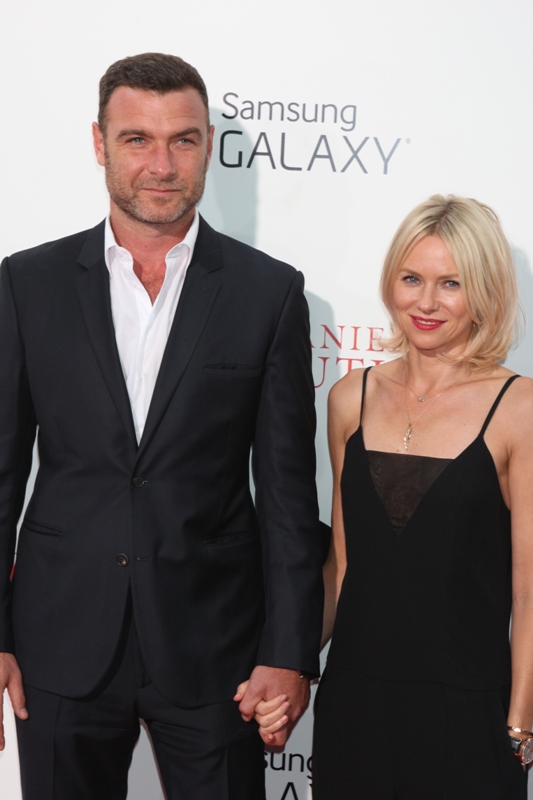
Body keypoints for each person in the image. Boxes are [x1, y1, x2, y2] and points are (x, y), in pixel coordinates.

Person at [0, 53, 323, 800]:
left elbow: (286, 495)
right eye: (137, 139)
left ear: (208, 144)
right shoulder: (27, 284)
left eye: (182, 139)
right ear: (99, 143)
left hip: (216, 646)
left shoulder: (268, 292)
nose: (162, 165)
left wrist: (288, 652)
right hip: (60, 639)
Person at [308, 195, 533, 798]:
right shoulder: (349, 397)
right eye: (412, 279)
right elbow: (344, 564)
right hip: (354, 707)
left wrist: (519, 724)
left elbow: (529, 591)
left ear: (484, 292)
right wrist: (290, 665)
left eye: (450, 283)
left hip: (468, 714)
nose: (426, 302)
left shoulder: (520, 408)